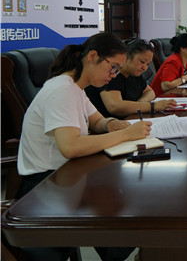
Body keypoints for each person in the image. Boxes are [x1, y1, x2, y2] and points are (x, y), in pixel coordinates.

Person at [16, 32, 152, 261]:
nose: (114, 75)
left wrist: (113, 124)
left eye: (118, 70)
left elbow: (97, 121)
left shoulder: (77, 88)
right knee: (120, 208)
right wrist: (125, 135)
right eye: (113, 67)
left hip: (67, 175)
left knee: (127, 197)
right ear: (92, 57)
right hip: (43, 188)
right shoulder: (62, 90)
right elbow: (70, 146)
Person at [85, 39, 176, 118]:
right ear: (127, 57)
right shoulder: (113, 75)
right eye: (142, 62)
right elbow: (114, 106)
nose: (144, 68)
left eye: (148, 64)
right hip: (110, 125)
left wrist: (140, 104)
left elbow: (150, 92)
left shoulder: (134, 74)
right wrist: (152, 106)